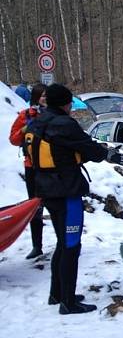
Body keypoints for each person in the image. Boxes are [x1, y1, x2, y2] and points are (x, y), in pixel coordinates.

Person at [24, 84, 123, 314]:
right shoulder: (63, 124)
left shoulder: (37, 122)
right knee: (71, 245)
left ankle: (57, 294)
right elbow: (87, 147)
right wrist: (107, 154)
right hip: (66, 189)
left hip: (45, 188)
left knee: (62, 243)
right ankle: (68, 303)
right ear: (65, 103)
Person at [8, 82, 47, 259]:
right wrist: (25, 129)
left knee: (56, 205)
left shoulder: (54, 115)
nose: (45, 99)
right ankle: (37, 245)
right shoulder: (25, 115)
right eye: (42, 96)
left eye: (47, 96)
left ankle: (64, 241)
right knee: (35, 207)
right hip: (32, 167)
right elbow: (14, 139)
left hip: (51, 168)